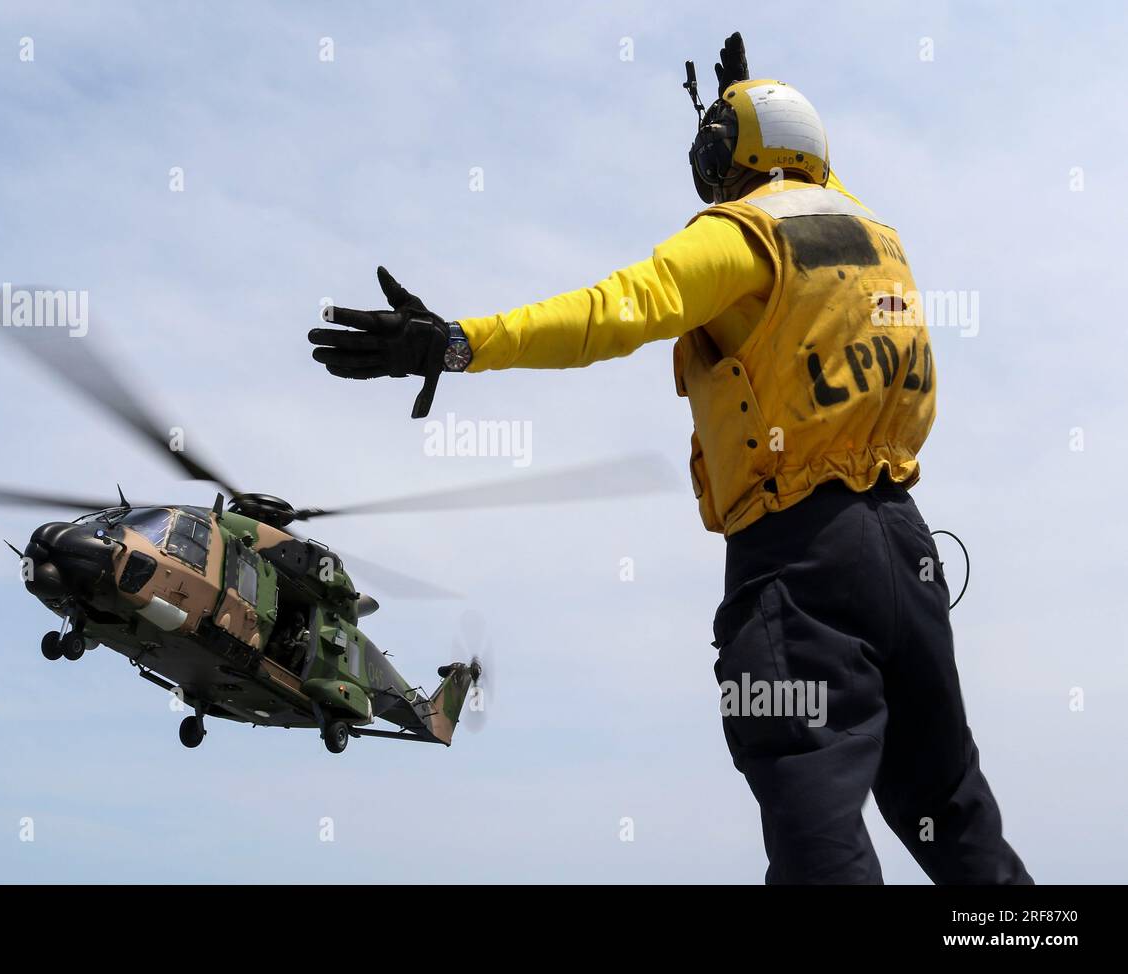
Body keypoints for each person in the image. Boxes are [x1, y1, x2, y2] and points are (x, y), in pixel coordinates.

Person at [308, 33, 1030, 885]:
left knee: (811, 807)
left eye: (716, 155)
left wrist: (458, 344)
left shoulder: (740, 237)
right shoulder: (876, 235)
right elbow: (804, 177)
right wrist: (753, 106)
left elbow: (613, 310)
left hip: (801, 565)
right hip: (907, 557)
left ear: (733, 160)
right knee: (948, 808)